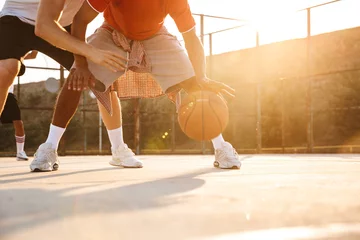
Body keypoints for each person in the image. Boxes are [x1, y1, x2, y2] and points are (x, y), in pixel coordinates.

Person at [34, 0, 241, 169]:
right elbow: (80, 20)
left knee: (194, 83)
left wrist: (202, 76)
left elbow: (191, 37)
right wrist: (80, 64)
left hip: (155, 35)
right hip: (111, 32)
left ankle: (221, 147)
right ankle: (49, 147)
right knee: (75, 79)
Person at [0, 0, 142, 172]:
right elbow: (43, 26)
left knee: (100, 76)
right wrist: (90, 51)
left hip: (62, 23)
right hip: (17, 17)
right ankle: (49, 148)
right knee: (6, 69)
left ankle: (118, 148)